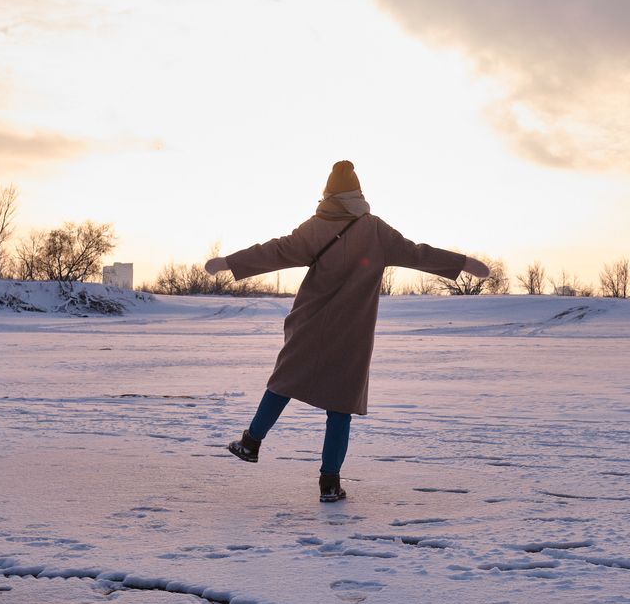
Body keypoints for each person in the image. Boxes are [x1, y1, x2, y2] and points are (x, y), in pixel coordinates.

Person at [205, 160, 490, 502]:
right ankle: (329, 483)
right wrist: (463, 263)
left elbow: (276, 251)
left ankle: (251, 441)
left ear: (327, 194)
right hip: (352, 332)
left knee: (284, 381)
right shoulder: (375, 230)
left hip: (311, 323)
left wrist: (229, 263)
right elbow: (417, 254)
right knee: (340, 406)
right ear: (358, 193)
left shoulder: (316, 227)